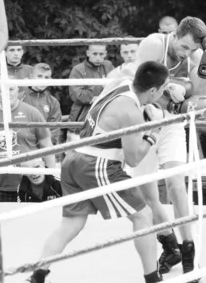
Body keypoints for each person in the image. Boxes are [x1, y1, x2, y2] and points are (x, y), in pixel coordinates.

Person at [25, 61, 171, 283]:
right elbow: (134, 158)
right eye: (163, 89)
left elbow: (126, 69)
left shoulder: (119, 83)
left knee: (72, 223)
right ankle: (153, 279)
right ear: (153, 90)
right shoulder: (131, 112)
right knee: (143, 215)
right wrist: (154, 130)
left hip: (72, 158)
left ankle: (37, 275)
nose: (163, 94)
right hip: (97, 164)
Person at [135, 16, 206, 279]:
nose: (188, 53)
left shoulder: (195, 56)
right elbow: (141, 84)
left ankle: (188, 252)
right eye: (185, 47)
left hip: (171, 123)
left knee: (177, 184)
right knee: (148, 196)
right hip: (145, 122)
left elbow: (200, 95)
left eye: (194, 50)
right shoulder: (154, 44)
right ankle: (169, 245)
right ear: (175, 34)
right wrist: (170, 85)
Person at [0, 81, 56, 202]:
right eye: (3, 90)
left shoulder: (32, 113)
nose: (7, 93)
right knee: (1, 220)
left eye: (11, 89)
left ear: (18, 90)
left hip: (30, 182)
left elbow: (47, 145)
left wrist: (51, 177)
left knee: (31, 220)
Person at [68, 44, 114, 138]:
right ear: (88, 53)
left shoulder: (108, 66)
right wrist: (99, 95)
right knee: (74, 148)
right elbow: (76, 94)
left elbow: (116, 86)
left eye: (101, 54)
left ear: (105, 54)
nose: (98, 57)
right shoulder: (78, 69)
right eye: (95, 54)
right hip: (81, 118)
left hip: (103, 116)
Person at [19, 63, 63, 145]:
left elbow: (55, 129)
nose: (43, 80)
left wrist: (44, 144)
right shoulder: (19, 98)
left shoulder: (53, 102)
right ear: (31, 77)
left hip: (44, 148)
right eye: (39, 76)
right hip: (22, 146)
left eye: (46, 77)